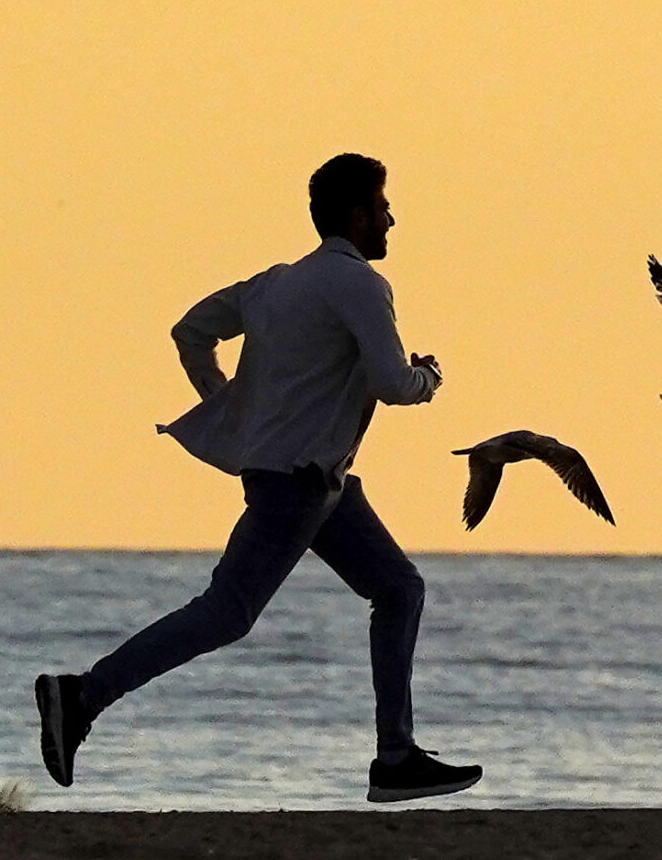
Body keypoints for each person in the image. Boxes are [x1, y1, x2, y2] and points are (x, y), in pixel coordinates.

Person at [36, 154, 480, 803]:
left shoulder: (277, 284)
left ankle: (395, 756)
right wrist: (429, 378)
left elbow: (189, 331)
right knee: (226, 612)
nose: (391, 218)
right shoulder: (359, 284)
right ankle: (80, 695)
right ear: (357, 216)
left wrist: (229, 402)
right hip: (296, 484)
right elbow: (391, 382)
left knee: (399, 588)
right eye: (383, 206)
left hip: (319, 484)